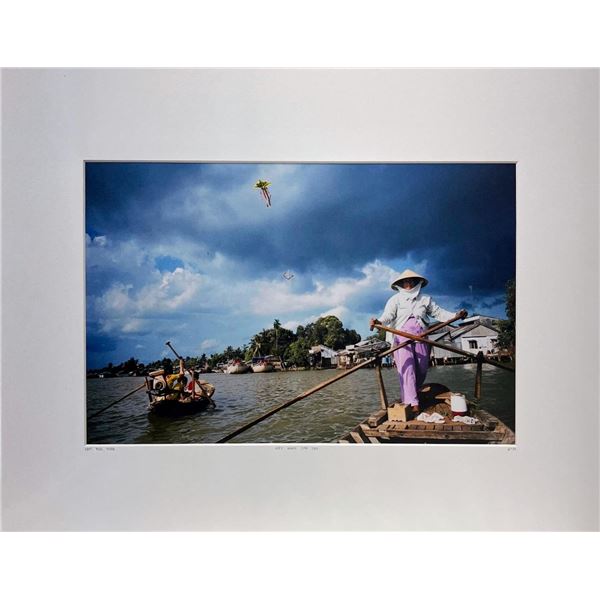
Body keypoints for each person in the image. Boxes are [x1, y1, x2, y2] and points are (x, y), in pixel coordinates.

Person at [370, 269, 467, 412]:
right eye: (405, 282)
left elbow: (439, 313)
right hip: (402, 339)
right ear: (400, 284)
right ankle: (412, 402)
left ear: (417, 283)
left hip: (421, 337)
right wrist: (378, 322)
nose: (408, 284)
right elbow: (387, 316)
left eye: (411, 281)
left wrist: (456, 315)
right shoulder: (395, 300)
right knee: (407, 369)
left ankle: (411, 394)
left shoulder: (425, 299)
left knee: (421, 369)